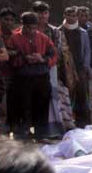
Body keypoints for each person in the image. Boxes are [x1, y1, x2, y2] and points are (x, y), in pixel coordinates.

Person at [7, 12, 57, 140]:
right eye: (28, 27)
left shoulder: (44, 37)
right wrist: (24, 59)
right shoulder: (13, 38)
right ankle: (23, 135)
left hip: (41, 77)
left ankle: (41, 134)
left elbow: (54, 55)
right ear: (22, 25)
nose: (31, 30)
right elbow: (9, 57)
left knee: (42, 106)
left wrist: (42, 59)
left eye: (34, 27)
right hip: (23, 79)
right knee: (23, 106)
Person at [33, 0, 67, 139]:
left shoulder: (54, 31)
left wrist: (43, 59)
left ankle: (53, 130)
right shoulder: (27, 30)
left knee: (52, 98)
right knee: (35, 100)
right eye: (40, 13)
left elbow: (57, 51)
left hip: (50, 68)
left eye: (45, 13)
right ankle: (38, 131)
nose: (43, 16)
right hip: (31, 71)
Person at [60, 6, 92, 127]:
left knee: (82, 95)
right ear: (64, 16)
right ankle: (67, 122)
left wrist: (86, 67)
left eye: (74, 15)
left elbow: (87, 50)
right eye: (69, 15)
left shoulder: (83, 33)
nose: (71, 18)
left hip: (80, 68)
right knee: (66, 95)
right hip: (64, 69)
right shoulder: (59, 31)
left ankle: (82, 122)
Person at [0, 7, 17, 133]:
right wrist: (13, 52)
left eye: (11, 20)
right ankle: (2, 134)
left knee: (14, 104)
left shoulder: (15, 35)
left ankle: (15, 131)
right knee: (2, 108)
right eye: (6, 19)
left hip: (15, 74)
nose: (9, 22)